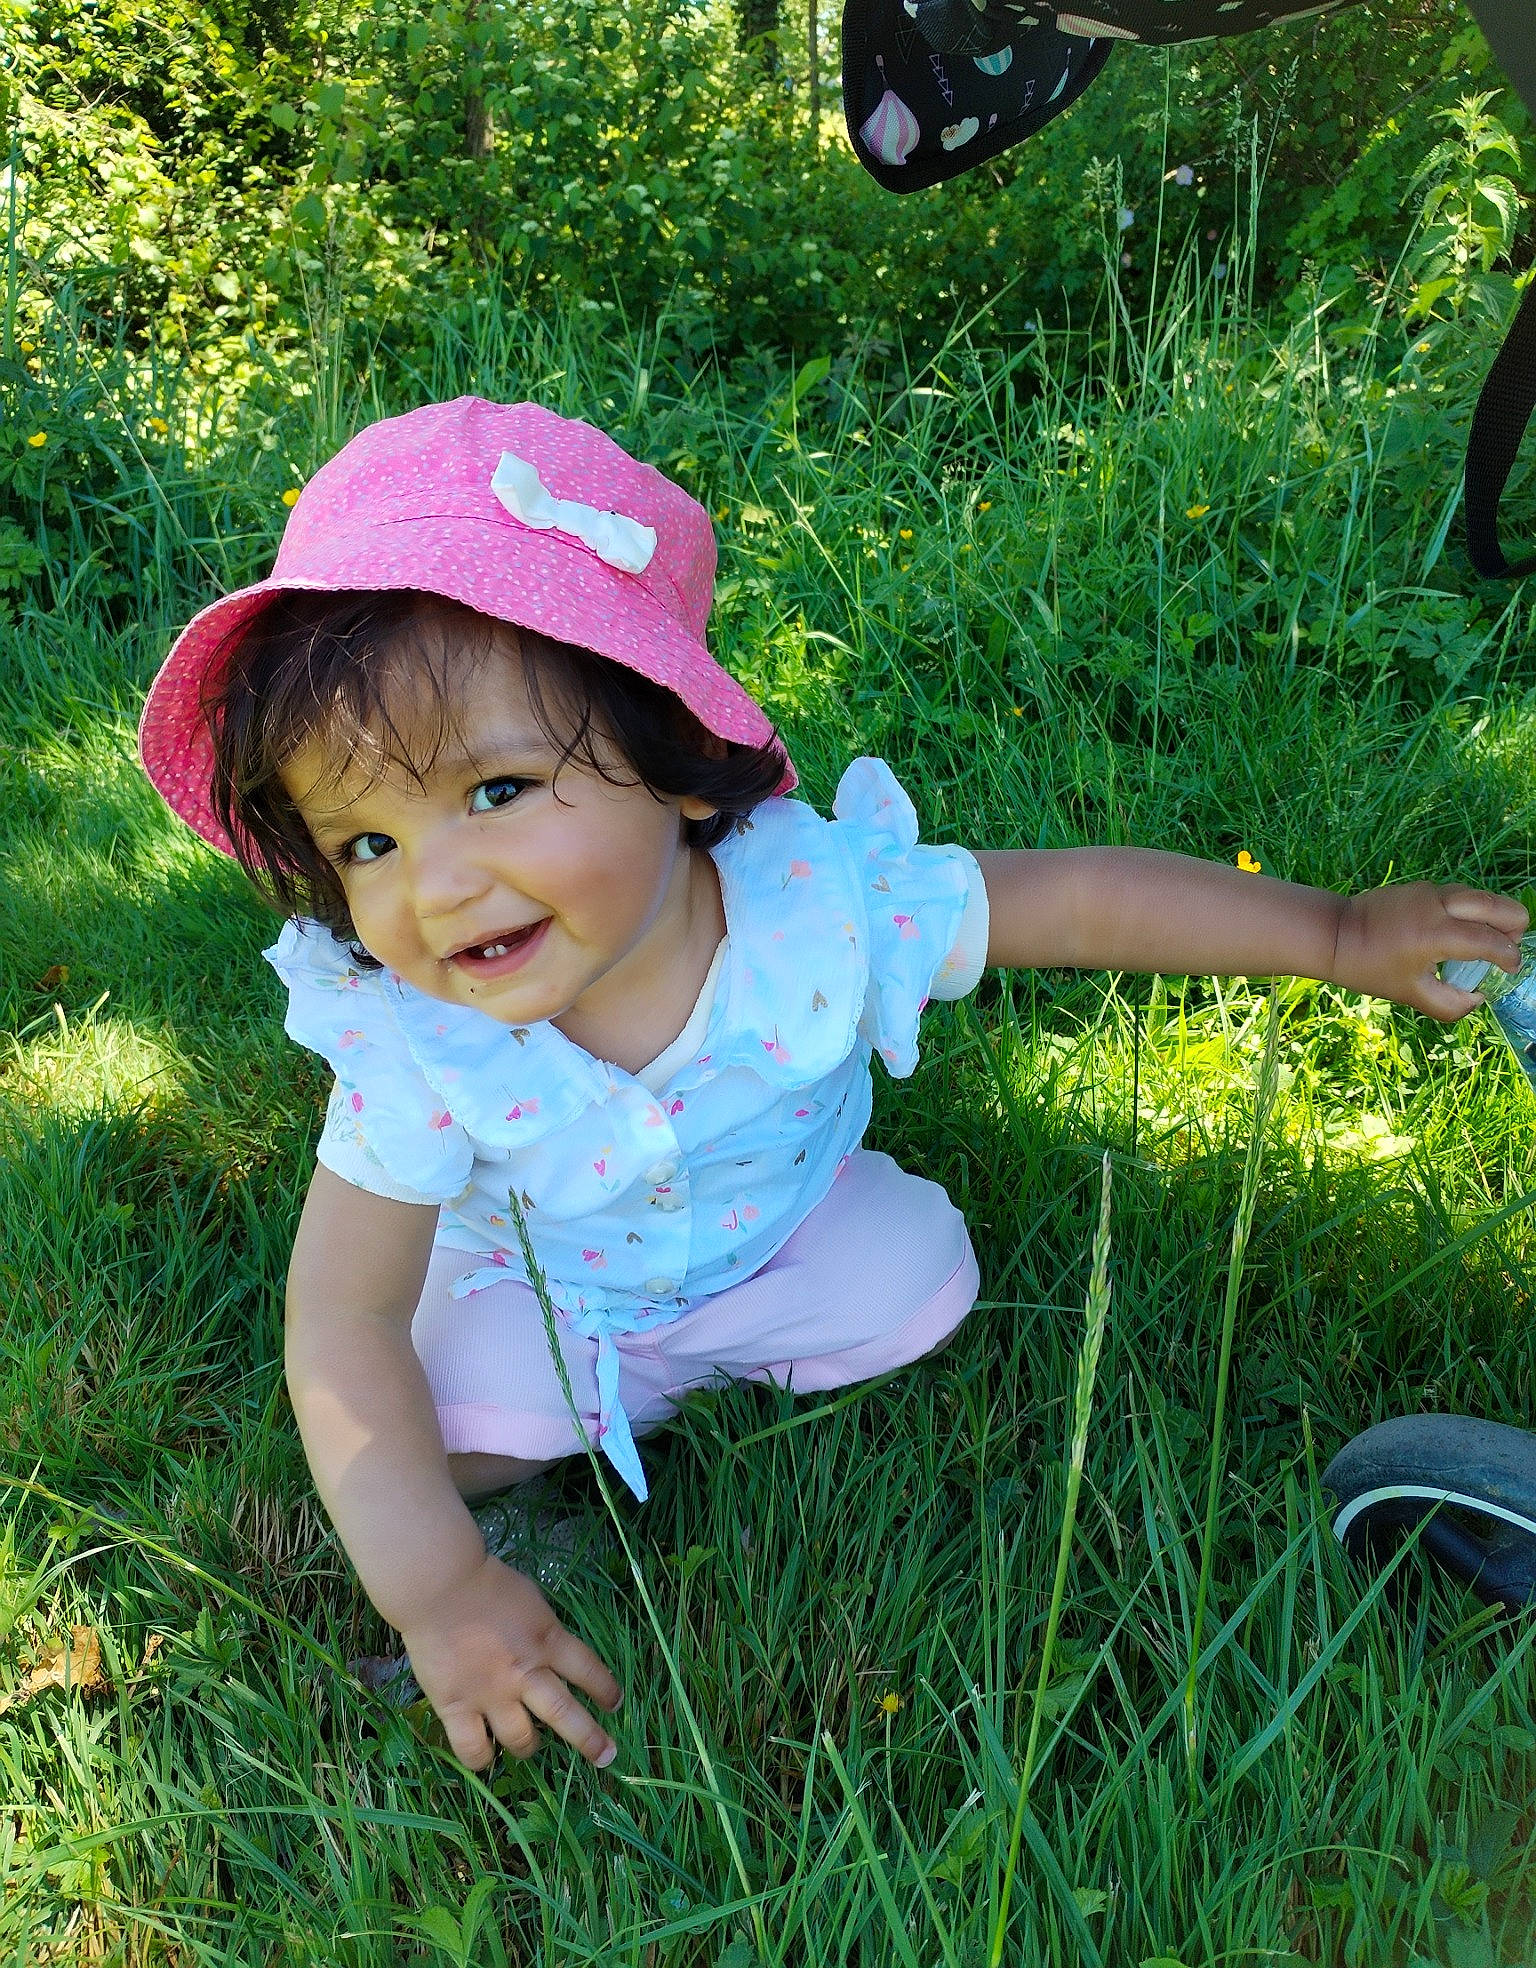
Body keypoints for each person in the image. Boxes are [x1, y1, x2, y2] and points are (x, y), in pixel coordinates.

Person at [138, 395, 1527, 1775]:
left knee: (920, 1279)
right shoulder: (415, 1045)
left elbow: (1080, 907)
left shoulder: (818, 908)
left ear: (676, 763)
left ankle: (699, 1369)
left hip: (773, 1235)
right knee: (430, 1430)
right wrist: (436, 1589)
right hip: (543, 1291)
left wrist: (1337, 935)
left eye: (497, 791)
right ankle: (535, 1488)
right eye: (368, 841)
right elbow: (342, 1314)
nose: (434, 884)